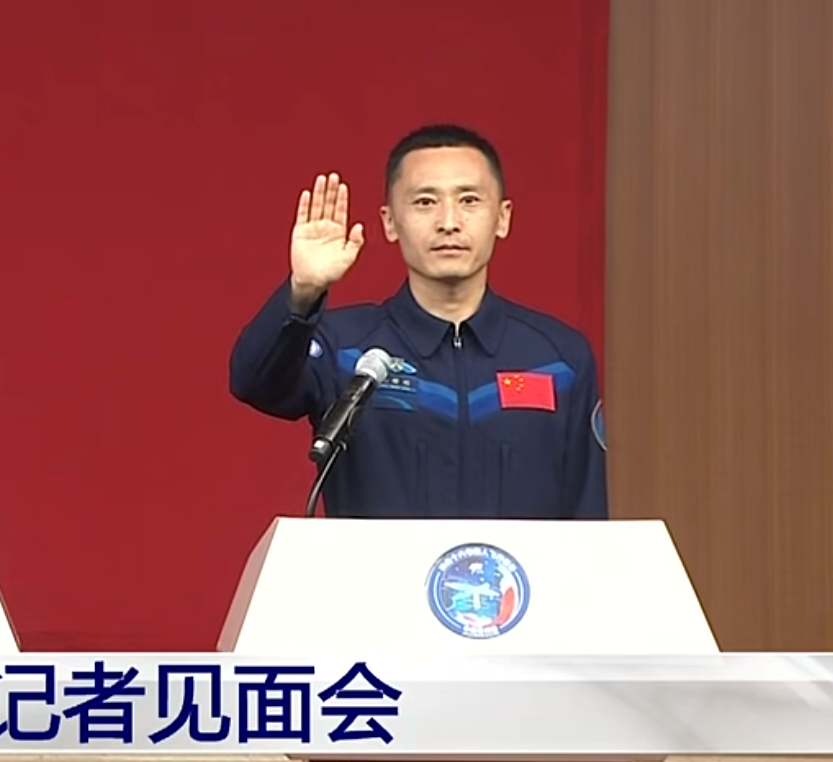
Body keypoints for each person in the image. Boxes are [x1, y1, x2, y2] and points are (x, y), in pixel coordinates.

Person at [228, 123, 607, 520]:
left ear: (502, 217)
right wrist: (303, 289)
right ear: (390, 222)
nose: (449, 222)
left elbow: (589, 517)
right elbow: (253, 383)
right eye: (425, 202)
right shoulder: (345, 350)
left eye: (469, 200)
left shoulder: (559, 359)